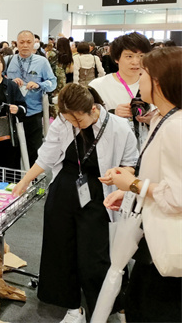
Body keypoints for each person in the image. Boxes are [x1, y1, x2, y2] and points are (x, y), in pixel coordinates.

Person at [13, 84, 138, 323]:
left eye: (78, 120)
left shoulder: (119, 127)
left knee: (96, 254)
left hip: (100, 191)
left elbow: (131, 162)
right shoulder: (63, 122)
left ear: (93, 109)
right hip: (65, 188)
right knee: (60, 249)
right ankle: (72, 306)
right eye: (70, 120)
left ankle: (110, 305)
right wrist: (25, 180)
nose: (75, 125)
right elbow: (47, 156)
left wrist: (119, 174)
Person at [100, 47, 182, 323]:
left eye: (143, 73)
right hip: (153, 234)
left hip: (167, 244)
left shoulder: (175, 127)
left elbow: (177, 195)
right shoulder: (162, 118)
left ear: (158, 81)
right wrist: (130, 192)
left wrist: (134, 185)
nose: (139, 78)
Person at [89, 32, 152, 146]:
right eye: (129, 56)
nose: (136, 62)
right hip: (112, 147)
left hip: (146, 148)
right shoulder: (98, 86)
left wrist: (153, 120)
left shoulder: (155, 85)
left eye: (141, 56)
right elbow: (86, 120)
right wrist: (112, 115)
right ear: (117, 58)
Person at [4, 30, 57, 164]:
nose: (25, 45)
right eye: (22, 42)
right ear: (16, 44)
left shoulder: (42, 62)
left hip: (33, 113)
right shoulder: (7, 60)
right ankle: (14, 177)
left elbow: (53, 83)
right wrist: (10, 82)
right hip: (12, 113)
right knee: (11, 153)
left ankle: (33, 177)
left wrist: (39, 85)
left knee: (34, 152)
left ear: (34, 43)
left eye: (28, 42)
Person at [48, 37, 75, 118]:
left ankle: (54, 114)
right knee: (61, 97)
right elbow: (69, 70)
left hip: (52, 76)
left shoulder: (52, 53)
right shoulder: (68, 55)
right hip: (63, 78)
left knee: (52, 96)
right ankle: (61, 114)